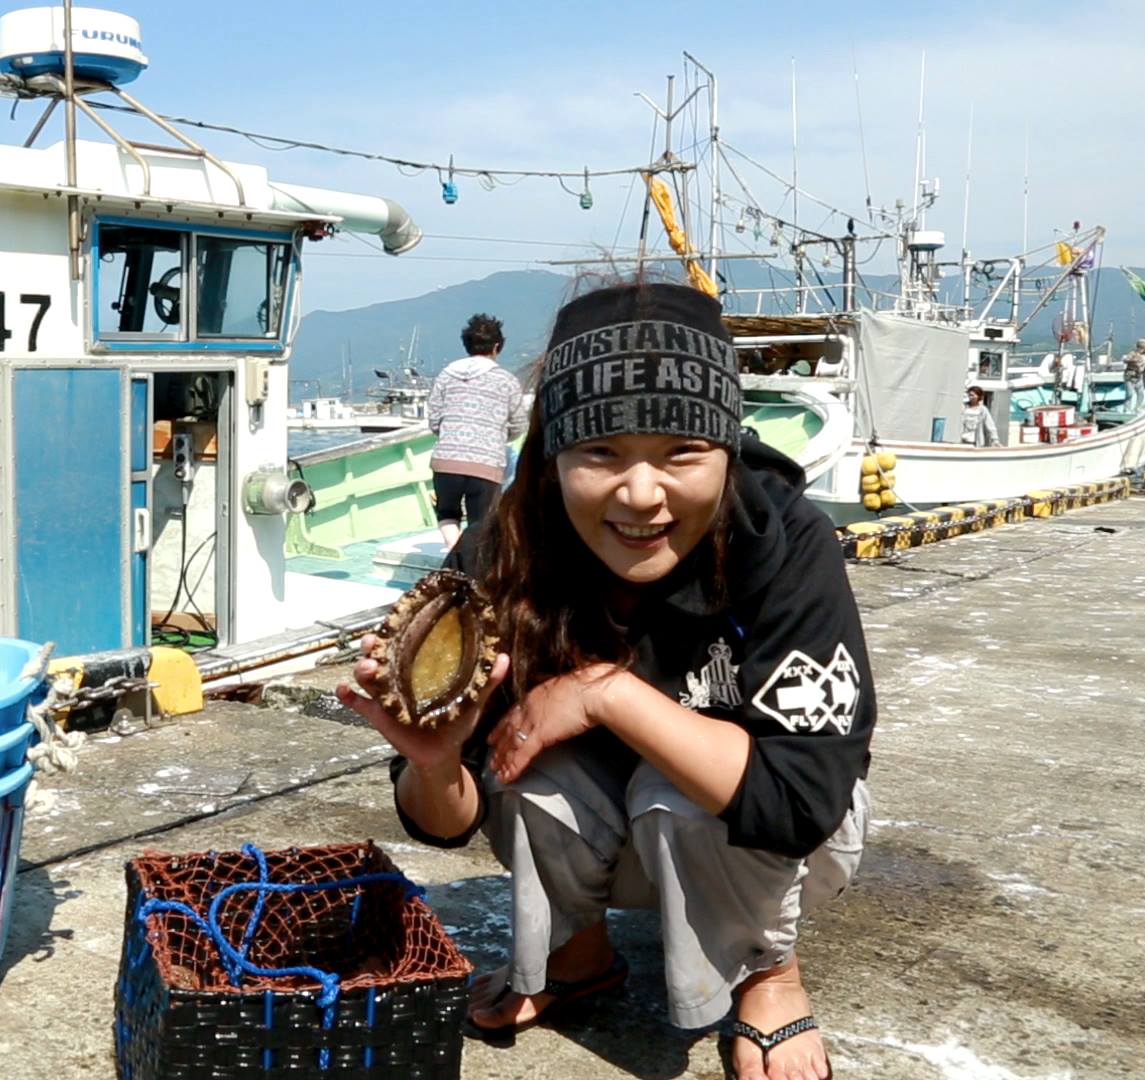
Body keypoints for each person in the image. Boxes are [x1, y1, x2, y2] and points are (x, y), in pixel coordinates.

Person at [340, 281, 873, 1080]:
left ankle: (768, 974)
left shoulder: (784, 539)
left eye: (681, 454)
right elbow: (446, 824)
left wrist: (604, 693)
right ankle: (575, 955)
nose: (641, 496)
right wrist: (435, 762)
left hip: (775, 841)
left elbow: (803, 800)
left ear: (726, 449)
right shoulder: (500, 553)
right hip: (610, 834)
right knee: (524, 765)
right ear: (553, 456)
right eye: (601, 454)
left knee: (678, 787)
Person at [428, 314, 527, 548]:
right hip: (486, 463)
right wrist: (498, 437)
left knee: (447, 514)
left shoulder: (446, 375)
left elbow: (434, 421)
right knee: (481, 524)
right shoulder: (506, 380)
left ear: (467, 345)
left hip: (446, 461)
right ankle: (474, 566)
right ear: (497, 346)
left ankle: (454, 551)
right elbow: (519, 425)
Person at [1123, 340, 1145, 415]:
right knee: (1129, 394)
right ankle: (1127, 409)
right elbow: (1125, 360)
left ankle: (1138, 408)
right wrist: (1133, 360)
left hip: (1139, 376)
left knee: (1141, 393)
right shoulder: (1133, 353)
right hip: (1130, 376)